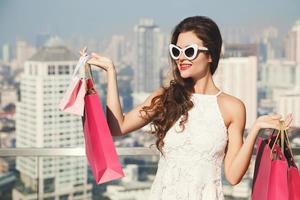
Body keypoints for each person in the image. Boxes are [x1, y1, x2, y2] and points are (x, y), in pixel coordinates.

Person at [80, 16, 293, 200]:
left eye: (189, 51)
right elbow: (118, 128)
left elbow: (234, 176)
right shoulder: (166, 97)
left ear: (210, 55)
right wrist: (110, 71)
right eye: (176, 51)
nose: (181, 58)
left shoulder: (232, 107)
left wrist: (255, 129)